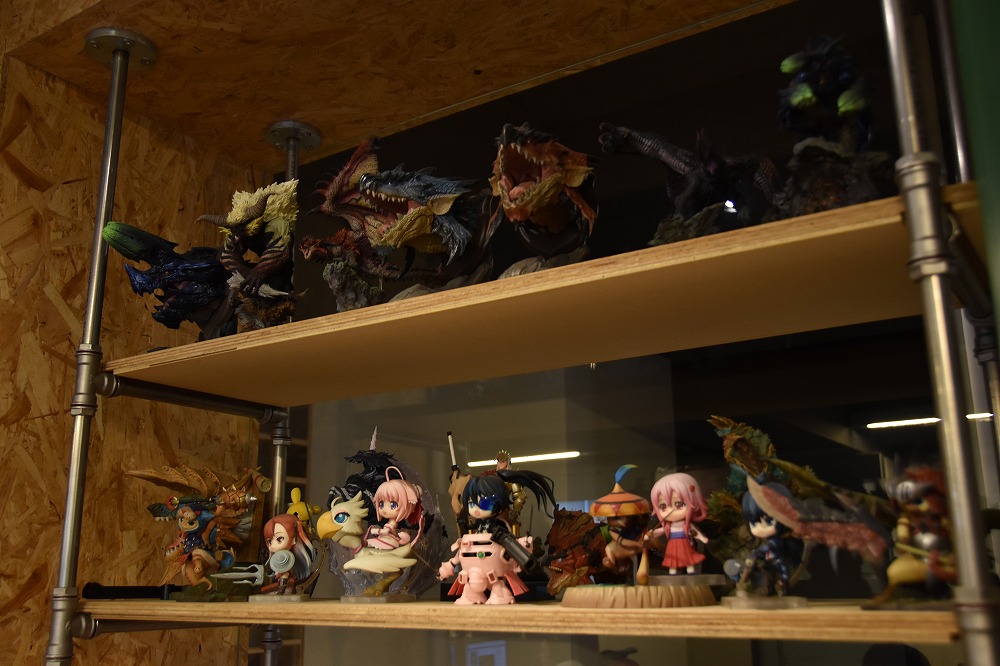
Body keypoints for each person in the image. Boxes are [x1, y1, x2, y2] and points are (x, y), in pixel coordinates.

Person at [646, 472, 708, 574]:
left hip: (684, 543)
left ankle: (689, 567)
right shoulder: (668, 526)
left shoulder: (686, 525)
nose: (671, 510)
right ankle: (673, 569)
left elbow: (695, 532)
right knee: (673, 557)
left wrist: (702, 538)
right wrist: (650, 535)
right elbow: (658, 532)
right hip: (672, 544)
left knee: (687, 555)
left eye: (678, 504)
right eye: (663, 506)